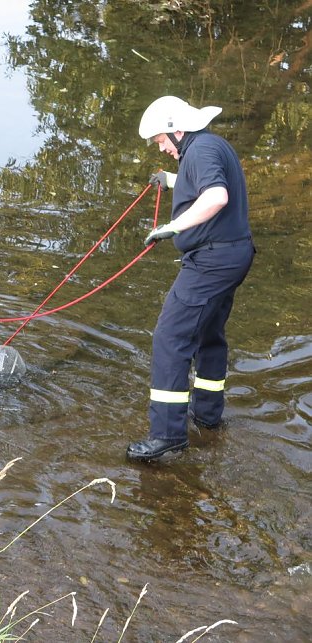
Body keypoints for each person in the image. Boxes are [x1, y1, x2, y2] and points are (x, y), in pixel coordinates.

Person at [127, 96, 254, 462]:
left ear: (176, 129)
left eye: (161, 140)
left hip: (210, 262)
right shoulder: (211, 145)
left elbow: (215, 195)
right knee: (209, 335)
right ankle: (208, 416)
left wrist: (172, 227)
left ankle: (167, 434)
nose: (162, 147)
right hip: (234, 255)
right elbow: (203, 181)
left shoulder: (198, 152)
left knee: (170, 338)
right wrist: (171, 181)